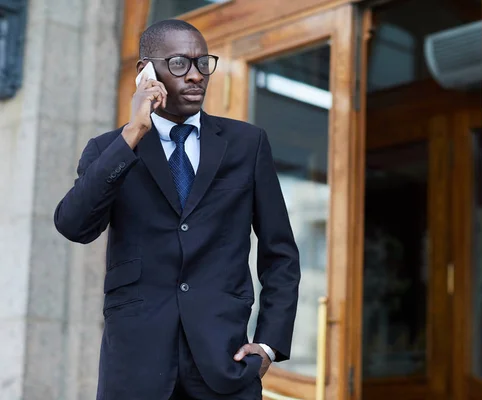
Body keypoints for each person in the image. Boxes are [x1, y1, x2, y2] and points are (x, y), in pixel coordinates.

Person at [54, 19, 301, 400]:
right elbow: (73, 225)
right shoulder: (110, 150)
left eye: (203, 63)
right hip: (136, 367)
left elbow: (280, 253)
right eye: (180, 64)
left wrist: (269, 344)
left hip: (225, 363)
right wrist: (133, 132)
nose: (196, 76)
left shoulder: (247, 144)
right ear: (146, 72)